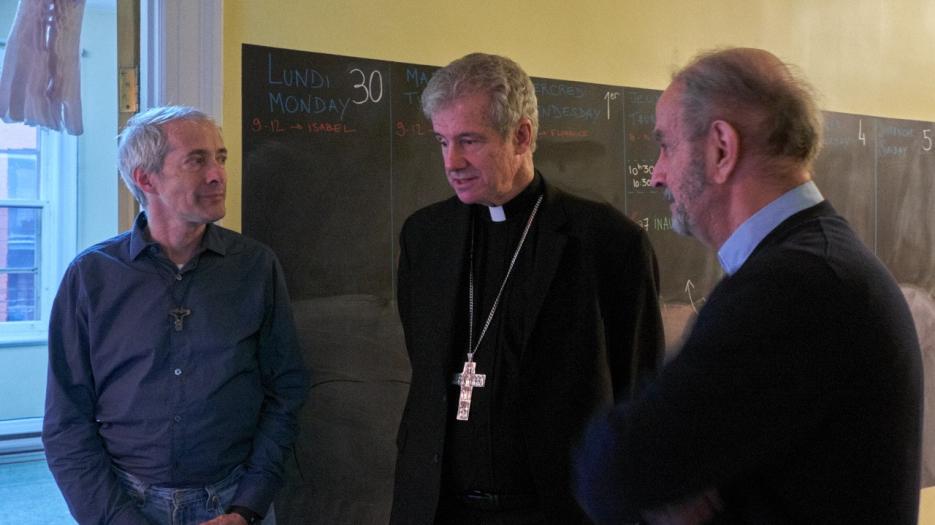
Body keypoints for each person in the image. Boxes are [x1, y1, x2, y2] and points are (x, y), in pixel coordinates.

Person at [573, 47, 923, 524]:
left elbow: (614, 469)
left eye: (665, 146)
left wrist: (666, 480)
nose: (656, 174)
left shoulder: (796, 287)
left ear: (721, 147)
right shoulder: (818, 264)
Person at [390, 53, 664, 524]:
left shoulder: (607, 243)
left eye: (469, 141)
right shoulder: (425, 237)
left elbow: (638, 389)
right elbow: (427, 367)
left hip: (557, 510)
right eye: (442, 142)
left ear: (522, 135)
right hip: (441, 509)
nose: (451, 162)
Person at [43, 106, 309, 525]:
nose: (218, 174)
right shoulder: (91, 277)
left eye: (220, 157)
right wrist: (116, 518)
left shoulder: (255, 266)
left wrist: (247, 506)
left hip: (234, 500)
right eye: (197, 160)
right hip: (126, 502)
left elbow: (286, 390)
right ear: (146, 178)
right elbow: (66, 422)